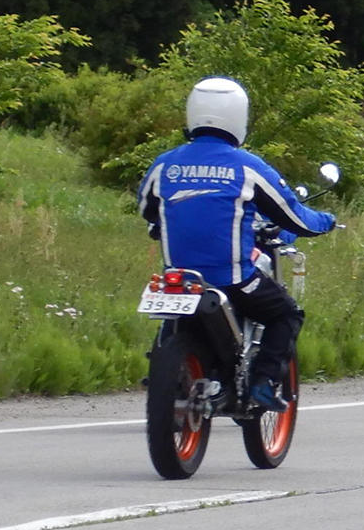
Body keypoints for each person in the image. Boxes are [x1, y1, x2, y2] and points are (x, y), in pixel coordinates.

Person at [138, 76, 337, 410]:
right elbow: (294, 217)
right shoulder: (247, 167)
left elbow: (147, 209)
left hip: (181, 279)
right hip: (232, 280)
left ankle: (166, 369)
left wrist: (164, 224)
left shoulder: (165, 164)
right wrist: (327, 221)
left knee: (172, 302)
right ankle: (263, 382)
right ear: (238, 117)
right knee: (286, 314)